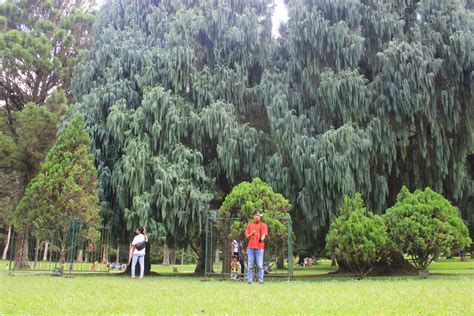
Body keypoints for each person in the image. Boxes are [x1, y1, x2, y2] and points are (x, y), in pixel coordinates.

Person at [245, 209, 268, 284]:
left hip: (260, 248)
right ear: (253, 216)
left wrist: (262, 238)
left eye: (259, 215)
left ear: (260, 216)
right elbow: (246, 236)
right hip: (250, 248)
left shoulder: (263, 225)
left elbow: (264, 234)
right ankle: (249, 281)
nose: (257, 217)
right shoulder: (250, 225)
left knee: (260, 265)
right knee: (250, 265)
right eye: (256, 215)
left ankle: (261, 281)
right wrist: (251, 234)